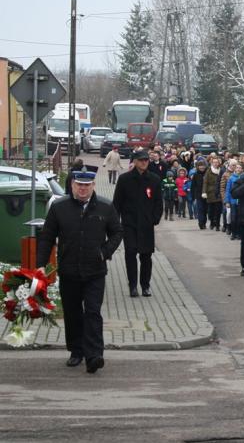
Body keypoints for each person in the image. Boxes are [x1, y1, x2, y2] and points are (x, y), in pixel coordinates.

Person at [37, 165, 123, 373]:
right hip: (69, 269)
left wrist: (105, 252)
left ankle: (94, 355)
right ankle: (76, 351)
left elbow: (117, 232)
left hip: (95, 270)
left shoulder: (105, 206)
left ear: (94, 185)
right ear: (72, 185)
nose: (83, 189)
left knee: (93, 311)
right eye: (79, 185)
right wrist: (40, 265)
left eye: (87, 185)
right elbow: (47, 236)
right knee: (73, 312)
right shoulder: (60, 208)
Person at [113, 150, 163, 298]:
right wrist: (115, 224)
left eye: (146, 160)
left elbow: (158, 202)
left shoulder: (154, 179)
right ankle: (133, 286)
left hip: (146, 225)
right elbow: (117, 203)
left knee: (146, 256)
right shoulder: (124, 179)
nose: (144, 162)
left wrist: (155, 218)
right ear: (134, 161)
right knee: (130, 253)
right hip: (129, 224)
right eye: (141, 160)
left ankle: (145, 285)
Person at [203, 157, 223, 230]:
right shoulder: (208, 171)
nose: (215, 163)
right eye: (214, 162)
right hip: (210, 193)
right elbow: (205, 182)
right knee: (211, 210)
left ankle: (217, 225)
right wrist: (204, 192)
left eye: (217, 162)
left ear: (218, 163)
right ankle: (212, 222)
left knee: (218, 210)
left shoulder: (221, 171)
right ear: (212, 163)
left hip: (218, 193)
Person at [225, 162, 243, 240]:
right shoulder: (231, 178)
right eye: (237, 168)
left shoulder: (243, 178)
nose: (238, 169)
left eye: (240, 168)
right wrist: (227, 201)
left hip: (241, 202)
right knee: (233, 218)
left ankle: (239, 234)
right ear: (234, 169)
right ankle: (233, 233)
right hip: (233, 201)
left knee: (239, 218)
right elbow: (228, 190)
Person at [191, 159, 208, 229]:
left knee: (205, 210)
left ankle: (204, 222)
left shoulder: (207, 173)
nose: (202, 167)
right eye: (200, 166)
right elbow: (193, 186)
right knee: (200, 209)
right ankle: (201, 223)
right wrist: (193, 196)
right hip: (198, 195)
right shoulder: (195, 175)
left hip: (207, 195)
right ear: (198, 167)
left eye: (203, 165)